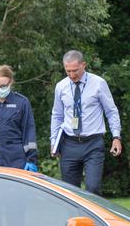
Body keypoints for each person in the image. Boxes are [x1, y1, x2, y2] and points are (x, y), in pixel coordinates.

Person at [50, 50, 122, 194]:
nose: (72, 75)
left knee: (93, 188)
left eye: (75, 70)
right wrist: (54, 141)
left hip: (93, 144)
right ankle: (75, 217)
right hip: (69, 144)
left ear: (84, 65)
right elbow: (57, 115)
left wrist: (116, 137)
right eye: (68, 71)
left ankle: (95, 216)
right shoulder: (61, 86)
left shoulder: (99, 83)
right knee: (70, 192)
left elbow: (111, 111)